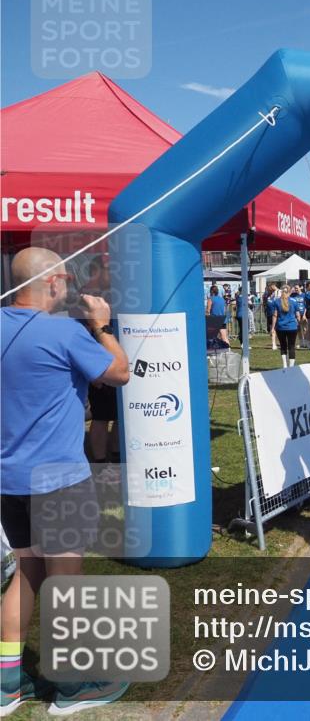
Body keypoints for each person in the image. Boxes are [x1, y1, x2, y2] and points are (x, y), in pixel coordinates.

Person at [1, 248, 131, 714]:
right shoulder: (65, 331)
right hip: (59, 479)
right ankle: (74, 687)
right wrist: (102, 325)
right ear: (53, 283)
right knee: (65, 581)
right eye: (67, 281)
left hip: (10, 481)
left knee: (28, 575)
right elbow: (119, 372)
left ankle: (7, 685)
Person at [78, 256, 119, 466]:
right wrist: (92, 372)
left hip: (115, 363)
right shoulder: (84, 297)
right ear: (98, 270)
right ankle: (102, 463)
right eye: (111, 268)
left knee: (119, 415)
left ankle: (118, 457)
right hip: (99, 368)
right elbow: (81, 336)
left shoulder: (110, 294)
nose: (115, 274)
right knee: (102, 417)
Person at [274, 285, 302, 368]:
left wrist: (272, 328)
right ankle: (291, 366)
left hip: (280, 327)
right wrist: (299, 323)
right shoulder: (294, 301)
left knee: (283, 346)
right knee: (291, 346)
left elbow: (275, 315)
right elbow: (297, 315)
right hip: (292, 327)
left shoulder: (277, 301)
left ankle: (285, 365)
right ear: (289, 292)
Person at [265, 283, 279, 350]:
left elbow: (279, 291)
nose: (269, 290)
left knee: (278, 330)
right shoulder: (267, 296)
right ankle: (273, 344)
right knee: (272, 329)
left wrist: (275, 288)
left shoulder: (277, 295)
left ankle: (280, 343)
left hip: (276, 315)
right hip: (269, 315)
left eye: (270, 288)